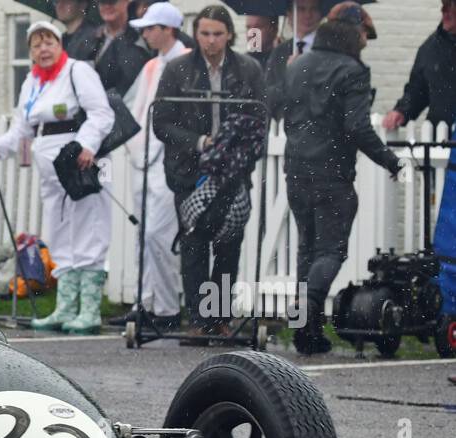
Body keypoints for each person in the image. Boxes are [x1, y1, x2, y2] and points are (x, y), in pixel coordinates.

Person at [0, 21, 113, 334]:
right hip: (49, 168)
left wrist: (87, 145)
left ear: (60, 43)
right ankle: (64, 308)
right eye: (36, 45)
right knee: (61, 234)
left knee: (89, 231)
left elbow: (102, 114)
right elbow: (21, 130)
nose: (43, 49)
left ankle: (88, 310)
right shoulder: (32, 82)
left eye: (48, 41)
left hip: (79, 164)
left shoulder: (77, 72)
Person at [285, 2, 401, 354]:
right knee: (331, 250)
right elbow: (357, 127)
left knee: (307, 249)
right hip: (332, 174)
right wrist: (390, 161)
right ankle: (308, 311)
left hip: (296, 169)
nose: (366, 41)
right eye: (365, 34)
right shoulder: (352, 71)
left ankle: (305, 332)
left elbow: (284, 111)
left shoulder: (298, 64)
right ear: (353, 32)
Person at [153, 4, 265, 340]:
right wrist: (200, 142)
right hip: (189, 170)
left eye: (218, 34)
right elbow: (161, 122)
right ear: (195, 33)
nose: (211, 41)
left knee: (229, 243)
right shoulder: (177, 69)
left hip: (232, 170)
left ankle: (221, 317)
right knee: (195, 244)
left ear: (230, 34)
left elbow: (260, 121)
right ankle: (201, 319)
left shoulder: (248, 69)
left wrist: (232, 151)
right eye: (204, 33)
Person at [120, 2, 187, 327]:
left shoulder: (186, 62)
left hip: (169, 161)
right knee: (144, 233)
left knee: (161, 235)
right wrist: (135, 149)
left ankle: (167, 307)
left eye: (150, 28)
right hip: (144, 161)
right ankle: (145, 302)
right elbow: (138, 111)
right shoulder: (151, 66)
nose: (145, 34)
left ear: (168, 29)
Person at [384, 0, 456, 132]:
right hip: (440, 139)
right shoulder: (431, 47)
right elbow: (418, 90)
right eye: (444, 5)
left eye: (451, 6)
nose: (444, 11)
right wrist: (401, 111)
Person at [265, 0, 324, 121]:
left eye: (313, 9)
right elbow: (269, 96)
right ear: (290, 15)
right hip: (287, 126)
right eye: (301, 9)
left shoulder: (327, 49)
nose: (308, 15)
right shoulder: (279, 52)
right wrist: (289, 75)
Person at [91, 0, 149, 96]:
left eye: (112, 2)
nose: (107, 6)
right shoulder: (90, 38)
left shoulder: (141, 37)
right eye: (102, 2)